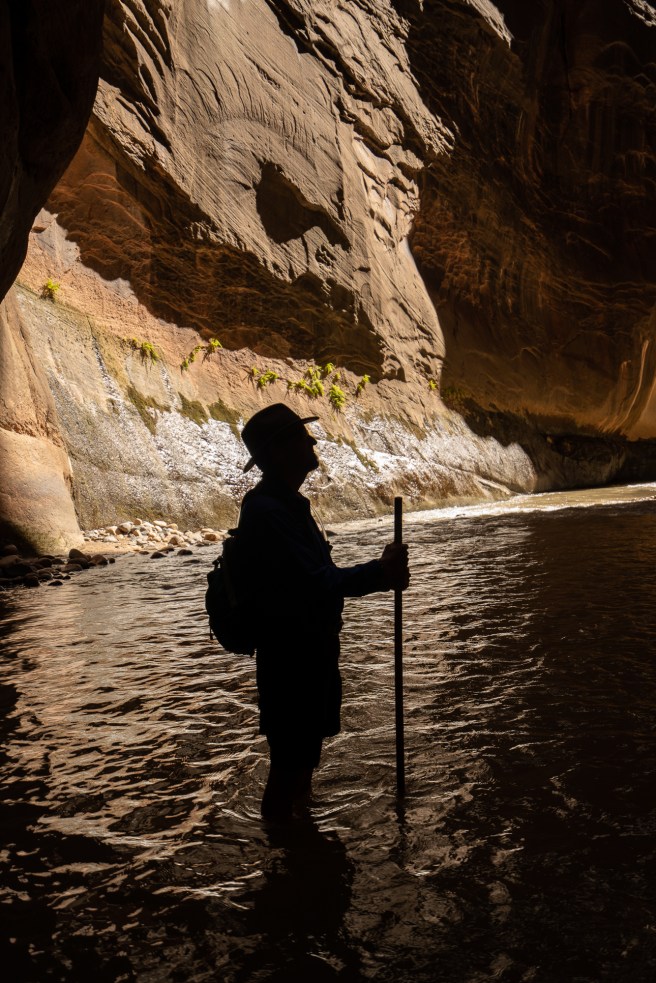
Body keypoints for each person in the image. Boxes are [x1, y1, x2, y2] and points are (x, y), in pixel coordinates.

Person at [237, 403, 410, 821]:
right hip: (291, 662)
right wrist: (381, 572)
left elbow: (317, 579)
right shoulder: (268, 512)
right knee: (289, 767)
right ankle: (283, 848)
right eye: (301, 437)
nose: (312, 441)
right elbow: (316, 582)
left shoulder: (286, 506)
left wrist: (381, 573)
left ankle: (301, 845)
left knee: (303, 762)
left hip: (309, 655)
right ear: (280, 452)